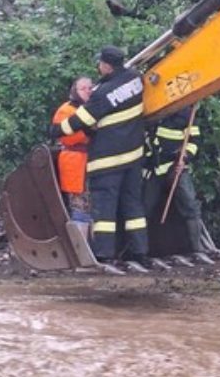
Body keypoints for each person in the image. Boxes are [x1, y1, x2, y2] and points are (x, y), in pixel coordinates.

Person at [51, 46, 148, 266]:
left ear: (106, 65)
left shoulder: (102, 93)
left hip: (108, 161)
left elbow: (80, 121)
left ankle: (104, 253)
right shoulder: (135, 79)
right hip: (134, 157)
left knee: (105, 209)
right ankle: (140, 251)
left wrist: (56, 130)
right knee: (133, 207)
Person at [144, 105, 206, 256]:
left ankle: (197, 248)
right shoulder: (152, 112)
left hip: (176, 167)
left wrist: (184, 158)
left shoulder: (186, 113)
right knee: (145, 207)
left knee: (189, 205)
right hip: (154, 169)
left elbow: (193, 142)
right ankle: (142, 250)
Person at [51, 77, 92, 217]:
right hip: (75, 160)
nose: (87, 91)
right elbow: (67, 137)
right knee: (79, 205)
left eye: (90, 88)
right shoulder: (66, 110)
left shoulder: (95, 107)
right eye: (83, 88)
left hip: (91, 160)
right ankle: (80, 229)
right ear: (75, 91)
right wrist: (90, 131)